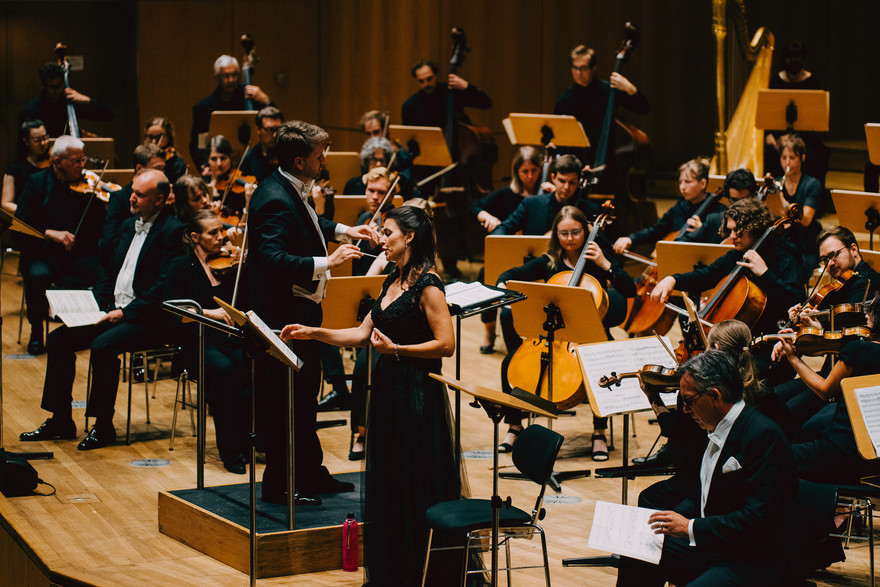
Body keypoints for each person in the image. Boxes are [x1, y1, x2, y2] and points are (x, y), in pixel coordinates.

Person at [280, 205, 459, 586]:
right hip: (388, 395)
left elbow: (447, 344)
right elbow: (361, 334)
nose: (381, 238)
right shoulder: (389, 282)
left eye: (388, 232)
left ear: (409, 237)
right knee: (392, 483)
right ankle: (395, 571)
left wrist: (398, 351)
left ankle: (421, 573)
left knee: (415, 483)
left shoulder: (429, 285)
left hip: (417, 396)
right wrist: (314, 332)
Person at [244, 120, 377, 505]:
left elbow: (307, 223)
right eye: (320, 156)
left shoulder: (291, 186)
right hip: (284, 314)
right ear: (300, 160)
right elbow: (270, 259)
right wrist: (327, 262)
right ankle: (281, 485)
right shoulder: (273, 197)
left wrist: (343, 230)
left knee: (303, 398)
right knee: (288, 401)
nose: (325, 161)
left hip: (302, 308)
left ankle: (310, 473)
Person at [19, 169, 184, 449]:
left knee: (103, 346)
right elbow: (109, 273)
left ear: (159, 200)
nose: (130, 198)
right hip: (113, 310)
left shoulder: (172, 231)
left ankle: (104, 426)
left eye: (139, 195)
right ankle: (61, 419)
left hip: (149, 318)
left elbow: (164, 287)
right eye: (132, 191)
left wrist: (126, 312)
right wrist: (91, 302)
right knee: (59, 339)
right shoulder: (127, 225)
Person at [616, 350, 798, 587]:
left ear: (715, 396)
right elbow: (700, 495)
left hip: (753, 559)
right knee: (637, 548)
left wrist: (690, 527)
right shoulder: (714, 428)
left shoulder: (763, 436)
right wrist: (666, 522)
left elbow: (758, 520)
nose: (684, 410)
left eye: (689, 401)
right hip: (714, 546)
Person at [496, 206, 636, 459]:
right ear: (556, 235)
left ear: (586, 231)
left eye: (575, 232)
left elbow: (629, 290)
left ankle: (599, 432)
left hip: (591, 333)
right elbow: (510, 275)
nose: (570, 238)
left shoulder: (598, 259)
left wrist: (606, 264)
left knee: (604, 366)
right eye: (564, 233)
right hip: (555, 336)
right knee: (510, 363)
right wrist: (502, 284)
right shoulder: (549, 262)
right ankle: (514, 426)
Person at [638, 320, 794, 512]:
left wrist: (654, 399)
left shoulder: (703, 396)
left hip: (704, 476)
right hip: (750, 477)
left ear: (716, 348)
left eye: (708, 344)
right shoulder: (765, 391)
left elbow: (676, 435)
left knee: (648, 499)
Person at [164, 210, 249, 474]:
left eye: (220, 231)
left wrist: (243, 265)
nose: (220, 237)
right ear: (195, 237)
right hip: (195, 343)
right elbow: (173, 312)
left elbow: (244, 301)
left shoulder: (228, 264)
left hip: (228, 339)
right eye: (213, 233)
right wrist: (207, 313)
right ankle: (231, 450)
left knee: (252, 363)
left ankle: (253, 437)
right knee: (223, 370)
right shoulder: (180, 266)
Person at [650, 198, 804, 339]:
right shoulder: (735, 256)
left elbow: (797, 301)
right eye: (730, 230)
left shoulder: (785, 257)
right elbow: (704, 276)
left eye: (738, 231)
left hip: (771, 337)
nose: (732, 236)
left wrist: (765, 274)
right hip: (737, 338)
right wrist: (672, 279)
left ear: (755, 228)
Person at [775, 226, 880, 428]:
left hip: (848, 377)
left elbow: (855, 346)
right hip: (829, 370)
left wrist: (819, 333)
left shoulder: (870, 284)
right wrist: (798, 324)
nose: (830, 264)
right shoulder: (839, 286)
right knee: (775, 397)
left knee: (788, 411)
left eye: (834, 255)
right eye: (824, 259)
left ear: (854, 249)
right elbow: (821, 326)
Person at [774, 291, 880, 485]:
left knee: (774, 459)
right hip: (873, 457)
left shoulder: (860, 349)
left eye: (872, 311)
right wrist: (820, 332)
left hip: (842, 452)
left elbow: (825, 390)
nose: (866, 315)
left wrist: (793, 359)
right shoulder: (861, 350)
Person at [14, 135, 105, 355]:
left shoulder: (88, 185)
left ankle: (92, 330)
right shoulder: (36, 183)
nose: (82, 166)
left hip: (79, 254)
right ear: (58, 161)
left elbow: (99, 227)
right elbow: (20, 226)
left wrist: (104, 199)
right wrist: (49, 234)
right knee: (38, 276)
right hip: (43, 254)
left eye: (84, 160)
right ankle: (37, 330)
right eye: (76, 161)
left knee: (104, 275)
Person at [470, 145, 545, 352]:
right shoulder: (506, 194)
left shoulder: (545, 197)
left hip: (536, 259)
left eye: (534, 171)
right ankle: (488, 331)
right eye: (524, 171)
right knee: (486, 274)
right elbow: (475, 206)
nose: (530, 176)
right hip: (509, 256)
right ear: (516, 172)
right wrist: (487, 216)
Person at [554, 44, 649, 173]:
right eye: (575, 68)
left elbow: (643, 108)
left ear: (593, 68)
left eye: (583, 68)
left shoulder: (608, 90)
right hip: (578, 163)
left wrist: (630, 89)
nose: (578, 73)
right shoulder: (565, 99)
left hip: (610, 158)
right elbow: (558, 135)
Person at [613, 158, 722, 253]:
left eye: (688, 182)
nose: (682, 187)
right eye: (680, 182)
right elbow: (656, 230)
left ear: (702, 183)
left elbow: (719, 247)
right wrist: (631, 239)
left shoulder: (718, 211)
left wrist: (704, 232)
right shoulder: (680, 206)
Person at [190, 55, 273, 171]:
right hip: (219, 168)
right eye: (226, 76)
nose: (231, 80)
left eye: (234, 75)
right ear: (217, 77)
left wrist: (266, 100)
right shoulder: (203, 108)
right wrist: (204, 166)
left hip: (254, 165)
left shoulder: (251, 98)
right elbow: (197, 145)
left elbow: (276, 120)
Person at [764, 42, 829, 188]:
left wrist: (794, 137)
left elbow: (815, 115)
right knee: (768, 153)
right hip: (778, 134)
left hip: (805, 134)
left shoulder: (811, 81)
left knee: (817, 154)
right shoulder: (775, 80)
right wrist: (769, 134)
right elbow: (768, 111)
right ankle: (774, 194)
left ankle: (810, 194)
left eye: (797, 58)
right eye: (790, 58)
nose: (793, 61)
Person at [491, 154, 598, 235]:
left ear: (579, 182)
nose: (566, 187)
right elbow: (503, 228)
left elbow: (604, 247)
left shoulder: (589, 210)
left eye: (572, 182)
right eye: (562, 181)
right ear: (553, 178)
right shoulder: (531, 204)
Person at [99, 142, 167, 267]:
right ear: (139, 169)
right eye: (157, 169)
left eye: (163, 169)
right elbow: (109, 243)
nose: (163, 175)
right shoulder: (119, 198)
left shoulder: (165, 198)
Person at [18, 62, 113, 137]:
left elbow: (108, 115)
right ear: (43, 86)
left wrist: (86, 100)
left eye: (59, 86)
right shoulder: (32, 109)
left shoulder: (70, 102)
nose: (56, 91)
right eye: (52, 87)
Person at [776, 133, 823, 276]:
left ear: (802, 158)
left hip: (805, 245)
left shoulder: (812, 184)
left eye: (792, 157)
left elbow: (806, 220)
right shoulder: (777, 184)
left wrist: (782, 203)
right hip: (782, 242)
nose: (787, 163)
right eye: (784, 158)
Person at [401, 59, 491, 131]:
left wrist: (466, 86)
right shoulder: (410, 106)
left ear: (436, 75)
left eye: (429, 79)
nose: (426, 84)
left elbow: (485, 103)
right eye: (421, 81)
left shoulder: (451, 92)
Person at [679, 168, 757, 244]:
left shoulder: (760, 223)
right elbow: (679, 244)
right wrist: (701, 234)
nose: (741, 206)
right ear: (728, 198)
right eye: (735, 200)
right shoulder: (714, 220)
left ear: (754, 197)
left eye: (745, 200)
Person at [2, 119, 51, 215]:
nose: (43, 143)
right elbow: (5, 204)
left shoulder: (53, 165)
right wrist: (30, 212)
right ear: (26, 141)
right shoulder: (15, 169)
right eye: (37, 140)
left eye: (45, 138)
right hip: (26, 221)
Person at [205, 135, 255, 217]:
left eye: (223, 158)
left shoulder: (239, 190)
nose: (219, 163)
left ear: (230, 158)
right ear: (208, 160)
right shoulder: (204, 184)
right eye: (214, 159)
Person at [239, 106, 283, 182]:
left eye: (278, 129)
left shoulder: (288, 156)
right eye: (271, 130)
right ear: (259, 130)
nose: (275, 135)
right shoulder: (248, 157)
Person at [144, 116, 187, 183]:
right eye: (150, 137)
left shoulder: (176, 163)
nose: (154, 141)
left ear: (168, 137)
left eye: (158, 137)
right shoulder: (141, 157)